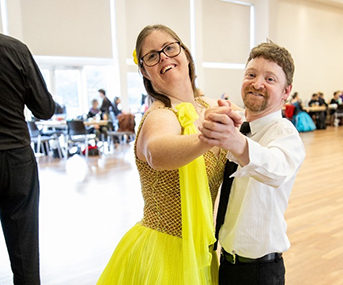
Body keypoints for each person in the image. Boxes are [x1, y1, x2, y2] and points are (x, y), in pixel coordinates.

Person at [97, 24, 240, 285]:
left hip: (201, 253)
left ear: (185, 53)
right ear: (144, 71)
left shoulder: (208, 106)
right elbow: (156, 151)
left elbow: (252, 120)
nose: (163, 57)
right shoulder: (160, 115)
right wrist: (208, 137)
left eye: (169, 48)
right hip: (163, 254)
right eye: (151, 56)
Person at [199, 42, 306, 285]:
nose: (257, 83)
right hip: (225, 262)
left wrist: (236, 142)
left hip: (259, 272)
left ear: (286, 91)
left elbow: (276, 169)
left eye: (270, 79)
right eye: (251, 74)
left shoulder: (285, 134)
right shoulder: (238, 127)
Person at [0, 34, 55, 284]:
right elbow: (44, 109)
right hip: (16, 159)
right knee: (25, 253)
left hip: (16, 155)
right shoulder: (14, 50)